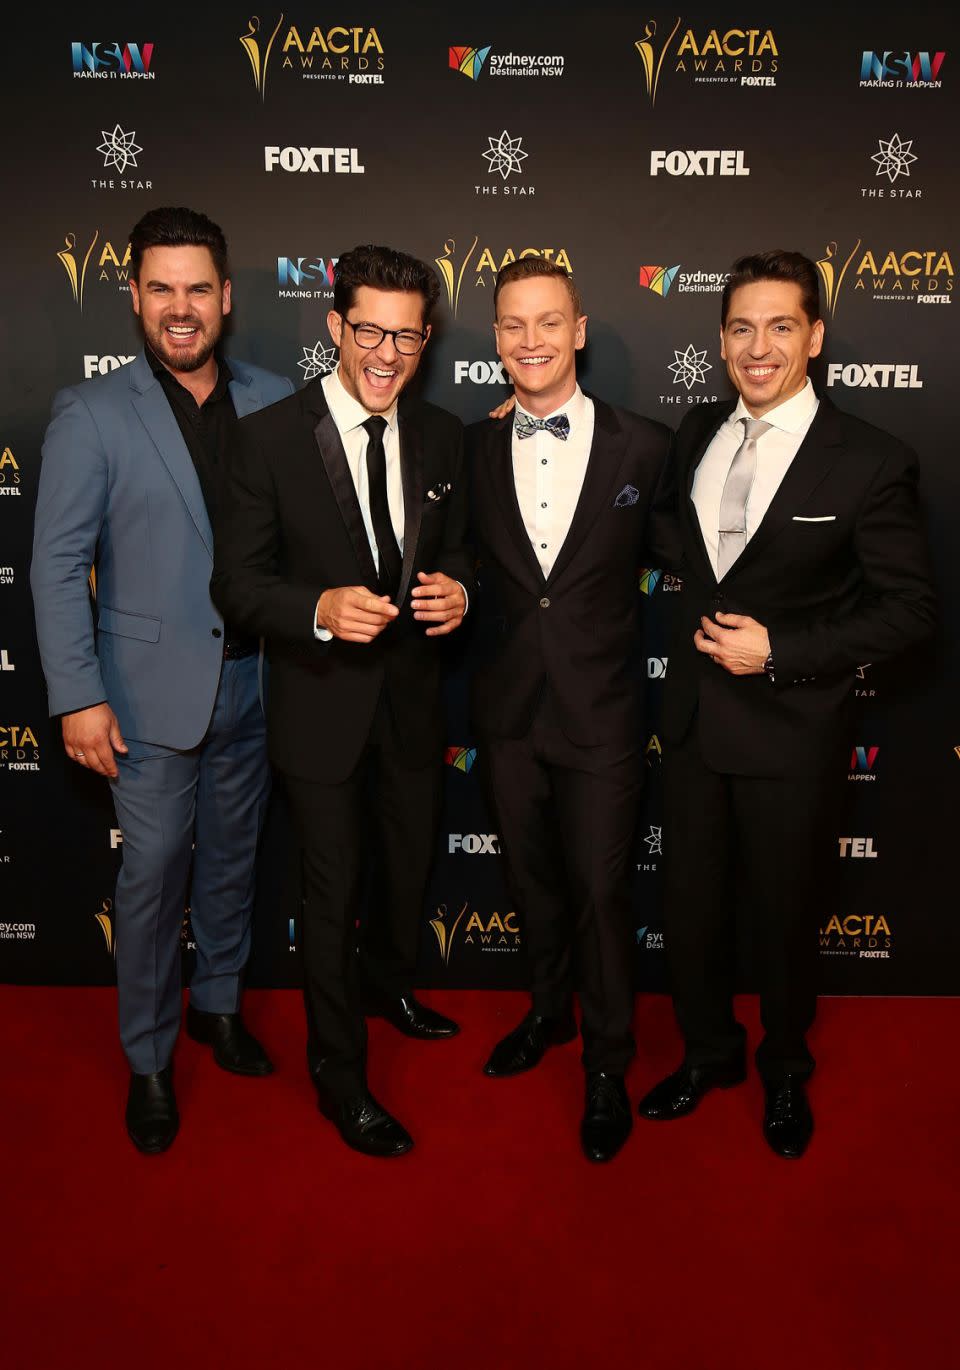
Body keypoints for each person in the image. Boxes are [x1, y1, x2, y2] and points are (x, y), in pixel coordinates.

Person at [638, 250, 936, 1157]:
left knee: (782, 920)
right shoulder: (693, 432)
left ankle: (783, 1070)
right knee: (690, 912)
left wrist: (783, 653)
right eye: (739, 328)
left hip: (793, 734)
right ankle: (708, 1055)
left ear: (814, 336)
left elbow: (911, 610)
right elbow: (643, 520)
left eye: (778, 326)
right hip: (690, 729)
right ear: (720, 341)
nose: (757, 347)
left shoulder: (871, 460)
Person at [31, 206, 293, 1154]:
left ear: (225, 298)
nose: (180, 309)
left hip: (259, 687)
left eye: (197, 289)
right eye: (160, 289)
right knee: (149, 880)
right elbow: (57, 565)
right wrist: (77, 694)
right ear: (136, 297)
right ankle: (147, 1058)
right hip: (140, 698)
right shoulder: (91, 414)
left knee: (232, 863)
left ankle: (217, 1006)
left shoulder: (277, 399)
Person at [211, 244, 474, 1158]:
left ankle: (390, 984)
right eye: (369, 331)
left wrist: (463, 592)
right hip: (319, 712)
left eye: (406, 337)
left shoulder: (444, 436)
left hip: (412, 707)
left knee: (404, 870)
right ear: (336, 327)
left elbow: (466, 552)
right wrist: (316, 609)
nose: (386, 354)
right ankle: (341, 1077)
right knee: (330, 898)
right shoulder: (269, 437)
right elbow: (237, 587)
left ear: (426, 339)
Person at [467, 258, 672, 1162]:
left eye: (548, 322)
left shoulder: (646, 445)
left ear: (579, 330)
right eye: (513, 325)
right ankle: (549, 1013)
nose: (531, 341)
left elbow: (699, 560)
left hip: (603, 714)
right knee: (532, 884)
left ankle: (605, 1065)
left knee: (598, 892)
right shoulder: (471, 447)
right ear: (497, 338)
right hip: (508, 714)